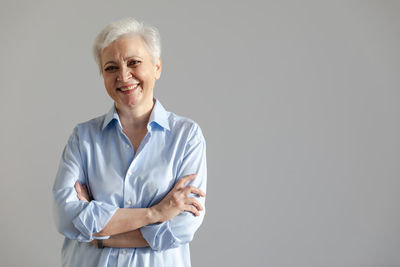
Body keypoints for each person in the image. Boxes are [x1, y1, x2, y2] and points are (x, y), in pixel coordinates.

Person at [52, 17, 207, 267]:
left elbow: (181, 228)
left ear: (157, 67)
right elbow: (65, 218)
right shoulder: (83, 138)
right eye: (111, 67)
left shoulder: (186, 136)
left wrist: (97, 234)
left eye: (133, 62)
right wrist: (154, 213)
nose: (124, 76)